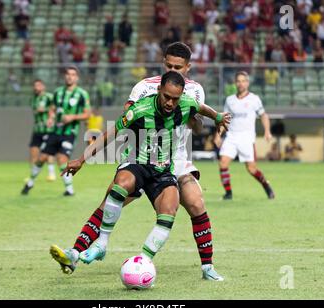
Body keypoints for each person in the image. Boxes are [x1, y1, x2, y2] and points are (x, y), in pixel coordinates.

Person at [49, 42, 231, 281]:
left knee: (195, 204)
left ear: (188, 66)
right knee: (110, 201)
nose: (173, 69)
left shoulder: (194, 92)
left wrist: (197, 117)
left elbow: (197, 126)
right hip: (140, 155)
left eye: (179, 66)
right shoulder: (144, 87)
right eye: (169, 64)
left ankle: (207, 267)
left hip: (176, 158)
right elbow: (125, 120)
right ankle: (75, 252)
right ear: (163, 62)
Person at [21, 66, 91, 196]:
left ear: (77, 78)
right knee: (42, 157)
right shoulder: (58, 92)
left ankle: (69, 190)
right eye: (68, 74)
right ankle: (30, 182)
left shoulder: (82, 94)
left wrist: (72, 117)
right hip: (55, 131)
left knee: (62, 158)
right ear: (64, 76)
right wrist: (50, 118)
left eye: (73, 74)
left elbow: (87, 114)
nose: (70, 76)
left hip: (69, 133)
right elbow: (52, 108)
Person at [218, 71, 275, 200]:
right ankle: (228, 193)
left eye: (243, 81)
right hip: (231, 136)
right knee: (223, 163)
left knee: (252, 169)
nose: (241, 83)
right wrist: (218, 135)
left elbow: (264, 115)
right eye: (238, 81)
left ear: (247, 83)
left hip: (247, 138)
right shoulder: (230, 100)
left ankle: (266, 185)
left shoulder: (254, 99)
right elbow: (224, 119)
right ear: (235, 83)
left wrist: (267, 131)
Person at [28, 79, 56, 182]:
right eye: (35, 86)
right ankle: (32, 176)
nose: (36, 87)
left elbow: (56, 109)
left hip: (48, 129)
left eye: (39, 85)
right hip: (37, 129)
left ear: (43, 86)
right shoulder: (33, 99)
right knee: (33, 151)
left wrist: (45, 110)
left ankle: (51, 173)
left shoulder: (49, 97)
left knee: (48, 152)